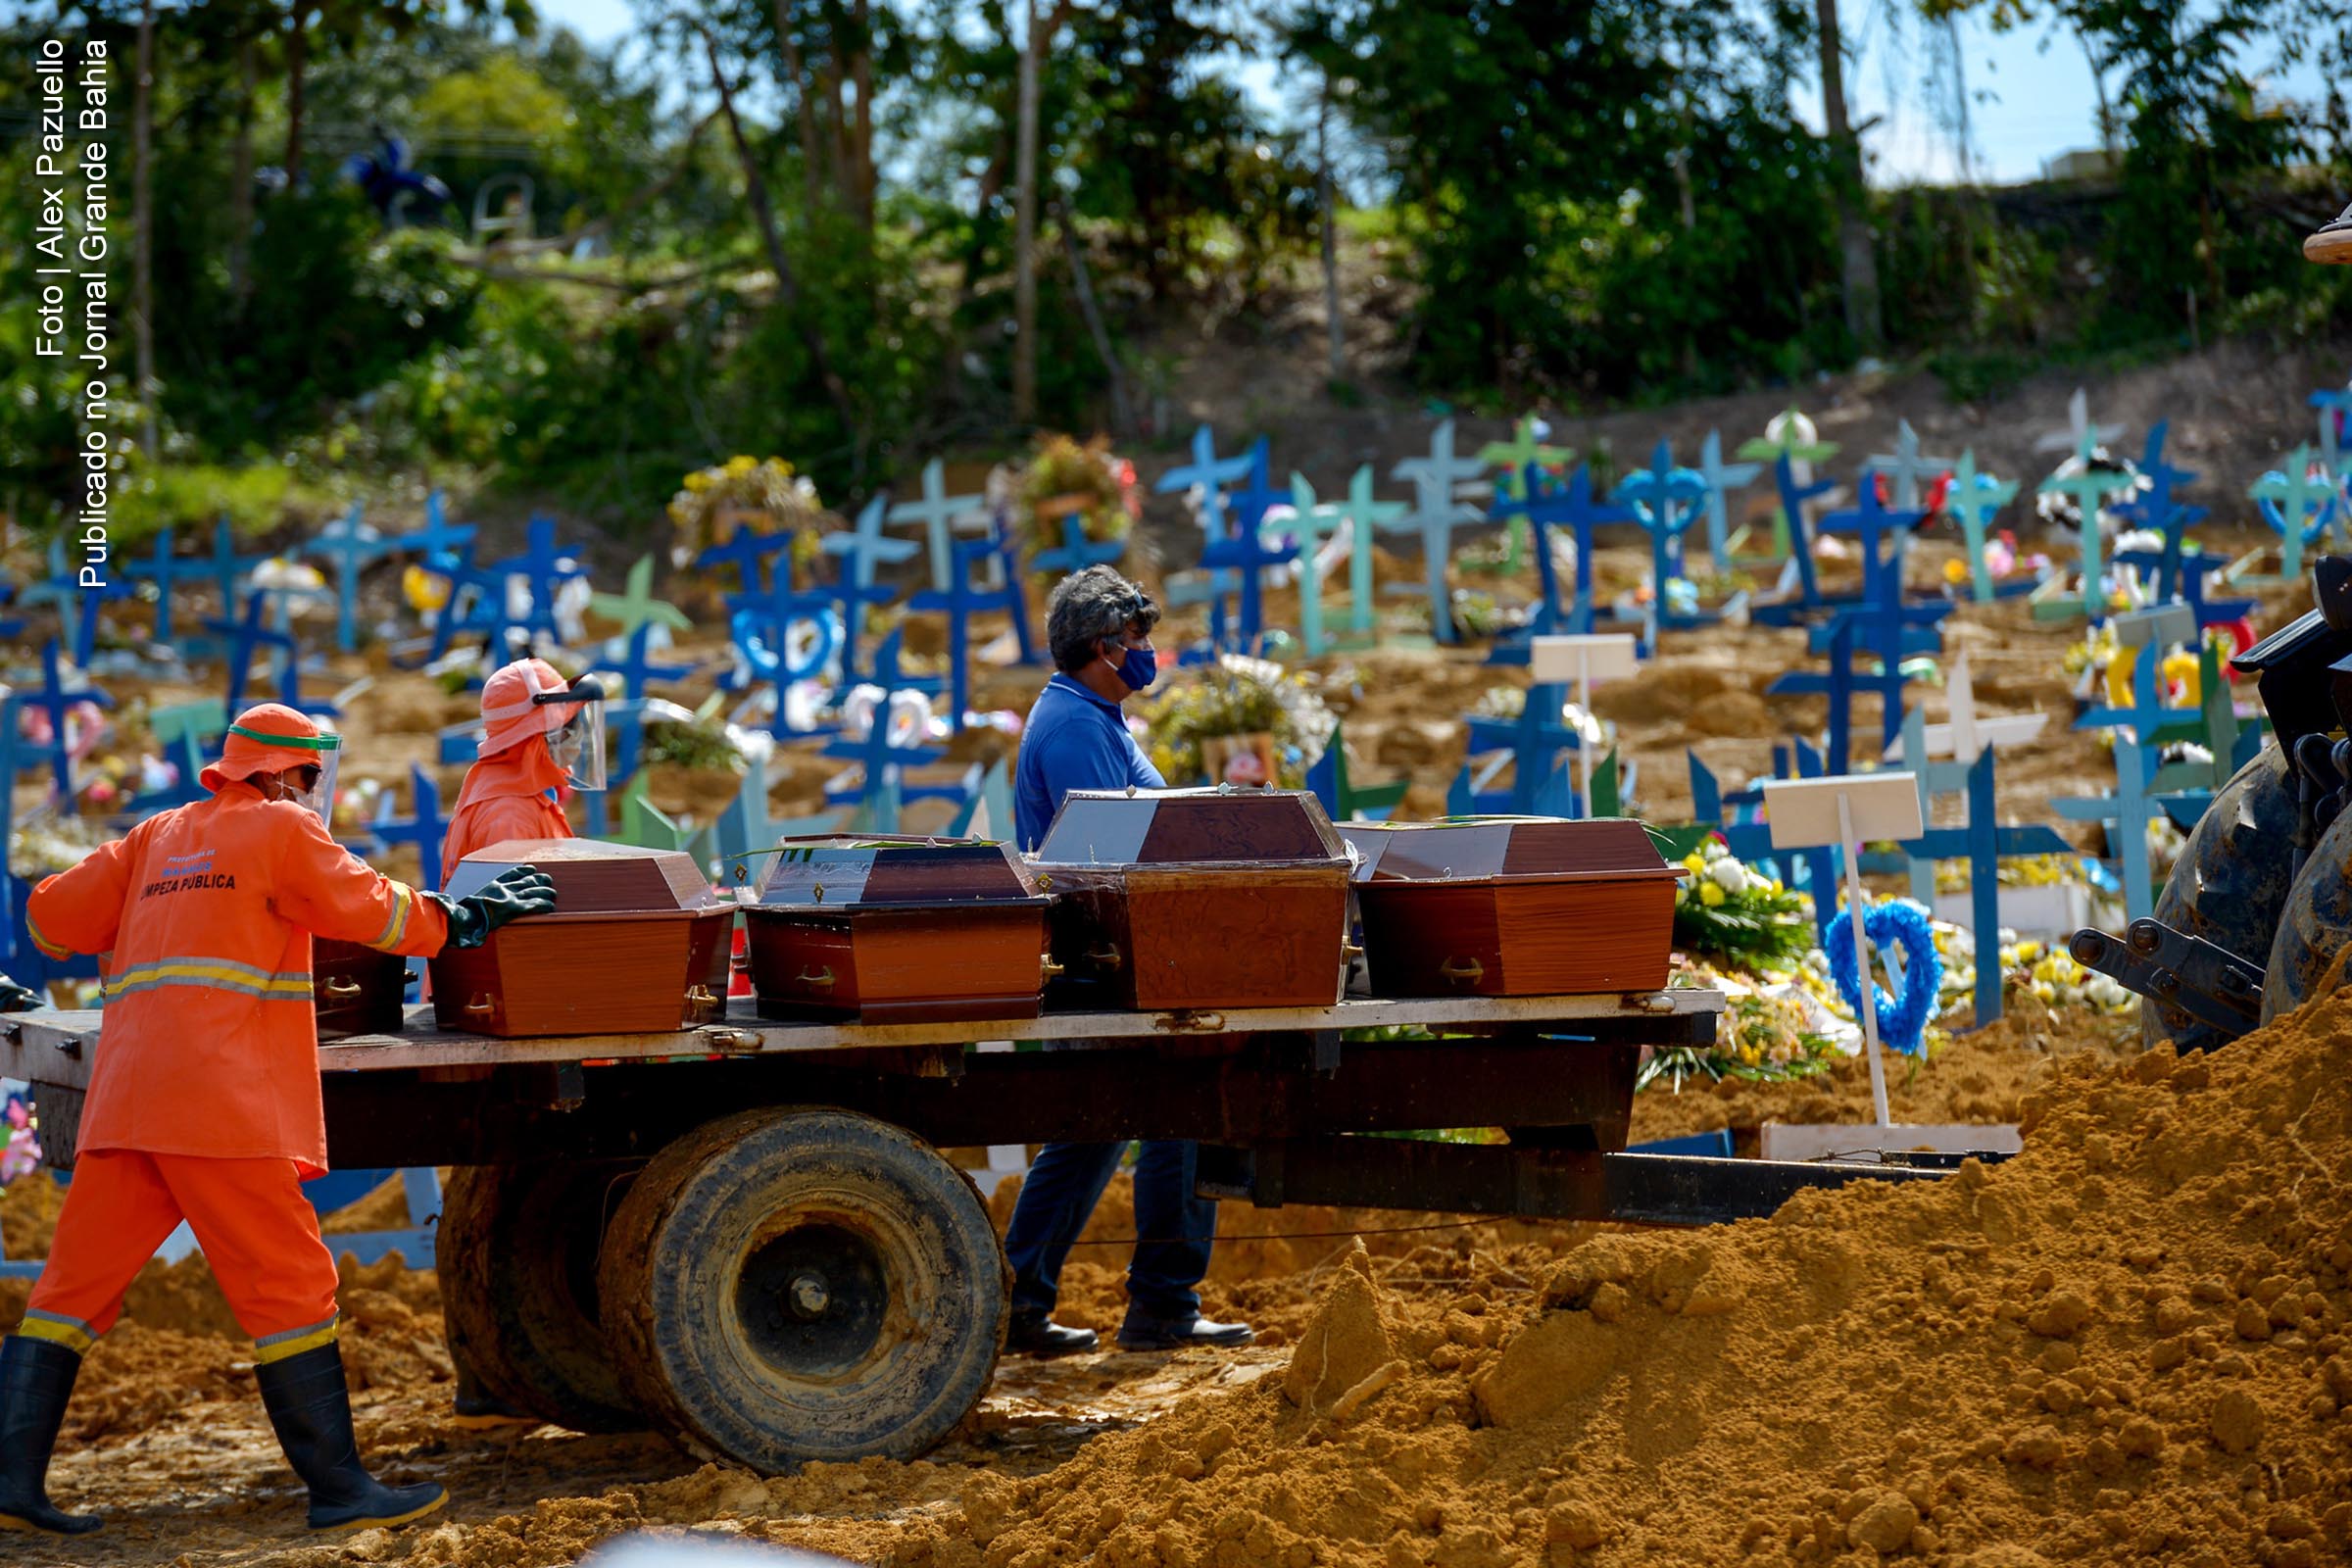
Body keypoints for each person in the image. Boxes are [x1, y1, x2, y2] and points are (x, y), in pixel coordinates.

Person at [0, 704, 557, 1538]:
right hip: (220, 1105)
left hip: (127, 1099)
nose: (311, 794)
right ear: (286, 774)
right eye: (309, 779)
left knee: (67, 1295)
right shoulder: (282, 834)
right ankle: (339, 1489)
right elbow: (379, 913)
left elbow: (49, 920)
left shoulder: (153, 836)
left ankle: (9, 1487)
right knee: (292, 1289)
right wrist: (467, 916)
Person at [1002, 566, 1255, 1357]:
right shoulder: (1078, 727)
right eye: (1137, 638)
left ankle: (1017, 1303)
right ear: (1100, 648)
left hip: (1111, 953)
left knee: (1090, 1137)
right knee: (1176, 1113)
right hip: (1112, 959)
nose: (1148, 651)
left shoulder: (1095, 715)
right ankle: (1163, 1306)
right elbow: (1118, 852)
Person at [435, 657, 603, 1427]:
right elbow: (528, 937)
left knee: (501, 1196)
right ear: (531, 734)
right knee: (508, 1200)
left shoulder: (519, 794)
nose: (571, 747)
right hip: (521, 1017)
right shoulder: (507, 812)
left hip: (516, 1011)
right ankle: (487, 1376)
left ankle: (485, 1377)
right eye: (562, 732)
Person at [442, 659, 606, 874]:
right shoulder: (511, 815)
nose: (579, 733)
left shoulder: (521, 791)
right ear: (539, 733)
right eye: (569, 722)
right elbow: (517, 904)